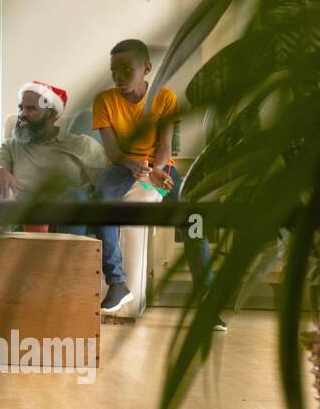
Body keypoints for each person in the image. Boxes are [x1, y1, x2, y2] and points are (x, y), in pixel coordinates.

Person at [92, 40, 223, 328]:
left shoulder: (164, 97)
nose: (119, 76)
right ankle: (117, 283)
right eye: (114, 70)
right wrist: (134, 166)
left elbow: (165, 145)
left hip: (160, 168)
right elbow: (113, 151)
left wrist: (157, 171)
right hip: (121, 168)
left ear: (147, 68)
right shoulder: (104, 100)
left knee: (193, 218)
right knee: (102, 196)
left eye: (127, 69)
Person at [0, 80, 106, 235]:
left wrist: (146, 185)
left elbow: (105, 182)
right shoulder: (11, 145)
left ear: (52, 114)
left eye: (31, 109)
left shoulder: (82, 145)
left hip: (71, 221)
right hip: (27, 222)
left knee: (75, 196)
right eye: (21, 108)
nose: (22, 114)